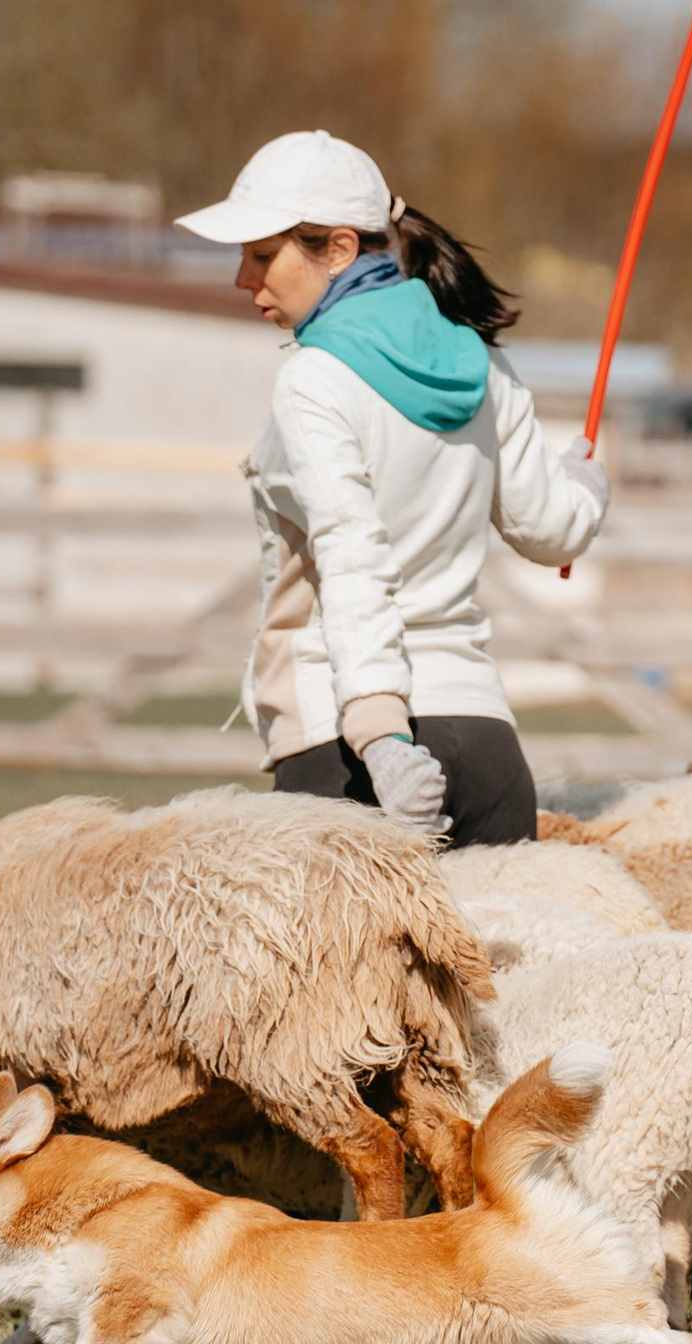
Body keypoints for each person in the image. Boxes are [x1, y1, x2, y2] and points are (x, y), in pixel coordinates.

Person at [176, 131, 610, 845]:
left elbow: (353, 556)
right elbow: (554, 531)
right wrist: (587, 485)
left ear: (340, 249)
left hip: (353, 753)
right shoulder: (481, 360)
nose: (243, 278)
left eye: (262, 255)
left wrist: (382, 738)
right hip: (488, 751)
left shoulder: (313, 380)